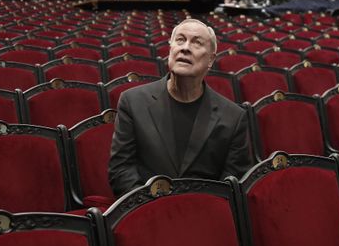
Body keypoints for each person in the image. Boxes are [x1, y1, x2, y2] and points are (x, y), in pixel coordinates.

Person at [108, 18, 252, 197]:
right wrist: (150, 206)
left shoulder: (233, 117)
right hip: (146, 208)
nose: (185, 48)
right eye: (180, 40)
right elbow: (121, 170)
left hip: (204, 209)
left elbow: (232, 183)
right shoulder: (133, 102)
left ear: (210, 59)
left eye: (197, 43)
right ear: (171, 50)